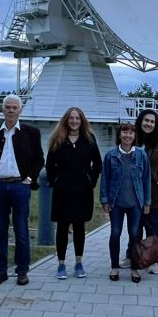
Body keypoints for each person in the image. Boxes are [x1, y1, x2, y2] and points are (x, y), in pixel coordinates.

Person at [0, 94, 44, 287]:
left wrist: (29, 179)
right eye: (8, 107)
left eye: (15, 107)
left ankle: (22, 270)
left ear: (20, 110)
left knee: (21, 230)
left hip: (20, 186)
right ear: (2, 109)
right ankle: (0, 271)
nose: (11, 110)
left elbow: (39, 159)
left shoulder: (31, 133)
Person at [45, 107, 102, 280]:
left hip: (82, 191)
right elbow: (50, 165)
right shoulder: (58, 140)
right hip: (63, 190)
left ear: (82, 120)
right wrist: (56, 180)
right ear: (66, 120)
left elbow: (97, 164)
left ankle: (79, 262)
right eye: (71, 118)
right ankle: (61, 264)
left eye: (77, 118)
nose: (74, 121)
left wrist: (89, 181)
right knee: (62, 227)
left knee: (79, 226)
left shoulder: (89, 140)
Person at [100, 123, 151, 283]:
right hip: (116, 203)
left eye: (131, 133)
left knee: (135, 234)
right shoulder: (111, 155)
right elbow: (105, 178)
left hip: (136, 202)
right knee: (115, 233)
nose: (128, 135)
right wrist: (104, 199)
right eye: (125, 132)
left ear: (135, 136)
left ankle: (134, 268)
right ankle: (114, 266)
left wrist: (147, 202)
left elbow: (146, 179)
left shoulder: (141, 155)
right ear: (120, 134)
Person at [135, 109, 158, 274]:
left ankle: (154, 258)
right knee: (135, 227)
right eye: (146, 120)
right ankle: (134, 255)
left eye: (152, 121)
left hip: (154, 193)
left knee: (154, 226)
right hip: (134, 193)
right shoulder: (133, 139)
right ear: (141, 121)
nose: (148, 124)